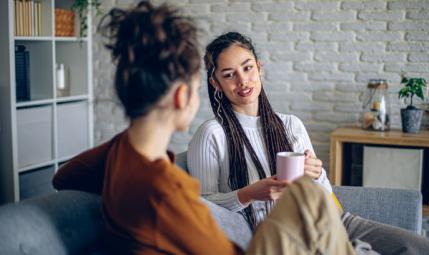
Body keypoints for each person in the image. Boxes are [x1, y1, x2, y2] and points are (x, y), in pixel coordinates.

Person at [53, 2, 356, 254]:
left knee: (312, 203)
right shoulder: (168, 194)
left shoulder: (119, 151)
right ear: (182, 95)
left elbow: (63, 177)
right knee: (311, 203)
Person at [187, 31, 429, 255]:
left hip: (332, 219)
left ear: (259, 67)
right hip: (281, 233)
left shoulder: (291, 125)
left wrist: (316, 174)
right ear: (216, 83)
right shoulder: (212, 134)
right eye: (229, 74)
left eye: (247, 68)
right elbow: (203, 207)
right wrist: (248, 194)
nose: (243, 80)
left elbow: (324, 193)